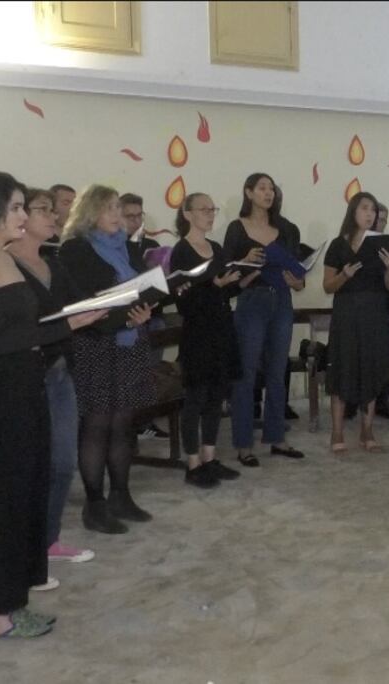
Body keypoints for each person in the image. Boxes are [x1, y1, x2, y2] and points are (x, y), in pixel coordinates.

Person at [0, 171, 103, 638]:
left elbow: (33, 320)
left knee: (25, 500)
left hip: (27, 387)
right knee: (1, 505)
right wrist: (71, 326)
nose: (25, 216)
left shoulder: (6, 260)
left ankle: (12, 602)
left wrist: (79, 314)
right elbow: (0, 341)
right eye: (17, 208)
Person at [58, 185, 158, 534]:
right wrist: (124, 312)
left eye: (119, 207)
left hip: (129, 342)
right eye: (110, 208)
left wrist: (144, 310)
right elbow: (85, 299)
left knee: (123, 422)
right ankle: (94, 504)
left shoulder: (128, 249)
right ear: (90, 212)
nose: (117, 214)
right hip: (95, 344)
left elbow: (140, 289)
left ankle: (121, 495)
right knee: (97, 423)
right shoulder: (75, 249)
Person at [4, 187, 96, 567]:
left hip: (59, 372)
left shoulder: (53, 264)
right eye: (43, 209)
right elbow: (13, 327)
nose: (53, 217)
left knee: (62, 463)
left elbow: (81, 308)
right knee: (28, 467)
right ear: (20, 216)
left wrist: (121, 304)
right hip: (24, 377)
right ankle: (23, 547)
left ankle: (49, 539)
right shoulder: (3, 266)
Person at [224, 173, 306, 467]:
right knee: (246, 373)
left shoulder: (287, 229)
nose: (268, 193)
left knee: (277, 370)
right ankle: (243, 444)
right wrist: (247, 261)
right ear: (248, 192)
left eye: (272, 188)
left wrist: (296, 281)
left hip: (282, 298)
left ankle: (277, 438)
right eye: (262, 188)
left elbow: (299, 275)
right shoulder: (236, 228)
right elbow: (227, 273)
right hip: (252, 301)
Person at [171, 192, 245, 487]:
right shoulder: (181, 251)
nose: (211, 214)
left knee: (217, 395)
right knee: (196, 397)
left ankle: (210, 457)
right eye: (204, 209)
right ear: (187, 214)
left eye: (213, 209)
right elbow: (184, 302)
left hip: (222, 328)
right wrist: (213, 285)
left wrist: (242, 279)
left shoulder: (217, 247)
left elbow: (228, 290)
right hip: (198, 332)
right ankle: (192, 463)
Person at [323, 192, 389, 453]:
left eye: (374, 211)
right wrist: (345, 275)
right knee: (343, 369)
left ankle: (367, 430)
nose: (370, 214)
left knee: (369, 369)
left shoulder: (382, 246)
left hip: (374, 314)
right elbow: (328, 286)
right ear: (353, 212)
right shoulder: (338, 245)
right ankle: (337, 432)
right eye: (365, 208)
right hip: (346, 314)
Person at [121, 191, 172, 442]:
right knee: (130, 374)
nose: (134, 221)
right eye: (128, 216)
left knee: (150, 373)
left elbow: (164, 287)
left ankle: (146, 420)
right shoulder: (117, 248)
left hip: (154, 316)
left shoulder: (151, 247)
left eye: (138, 215)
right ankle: (131, 424)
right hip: (129, 320)